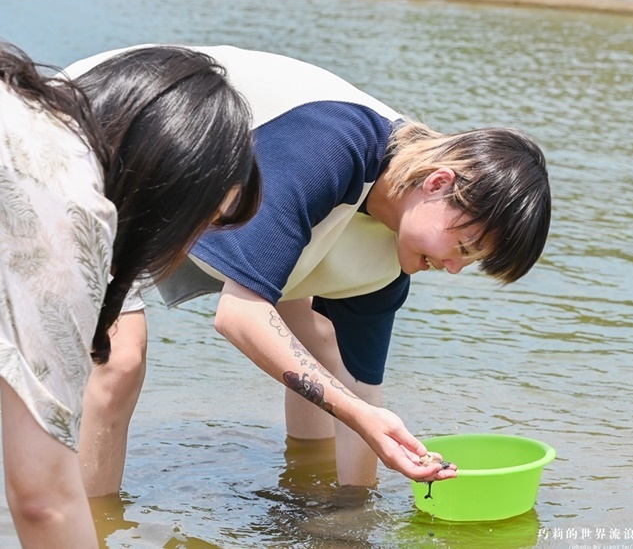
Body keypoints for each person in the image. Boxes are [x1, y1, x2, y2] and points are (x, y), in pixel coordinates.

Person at [67, 45, 553, 496]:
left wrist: (353, 514)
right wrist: (359, 413)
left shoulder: (390, 252)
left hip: (198, 184)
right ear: (438, 182)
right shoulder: (331, 145)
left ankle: (309, 494)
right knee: (120, 358)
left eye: (470, 261)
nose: (451, 268)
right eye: (461, 246)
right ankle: (92, 527)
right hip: (96, 139)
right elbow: (240, 317)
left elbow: (361, 392)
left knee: (319, 345)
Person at [0, 43, 260, 547]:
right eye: (200, 222)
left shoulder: (25, 116)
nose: (186, 249)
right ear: (170, 184)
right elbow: (43, 499)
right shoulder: (67, 204)